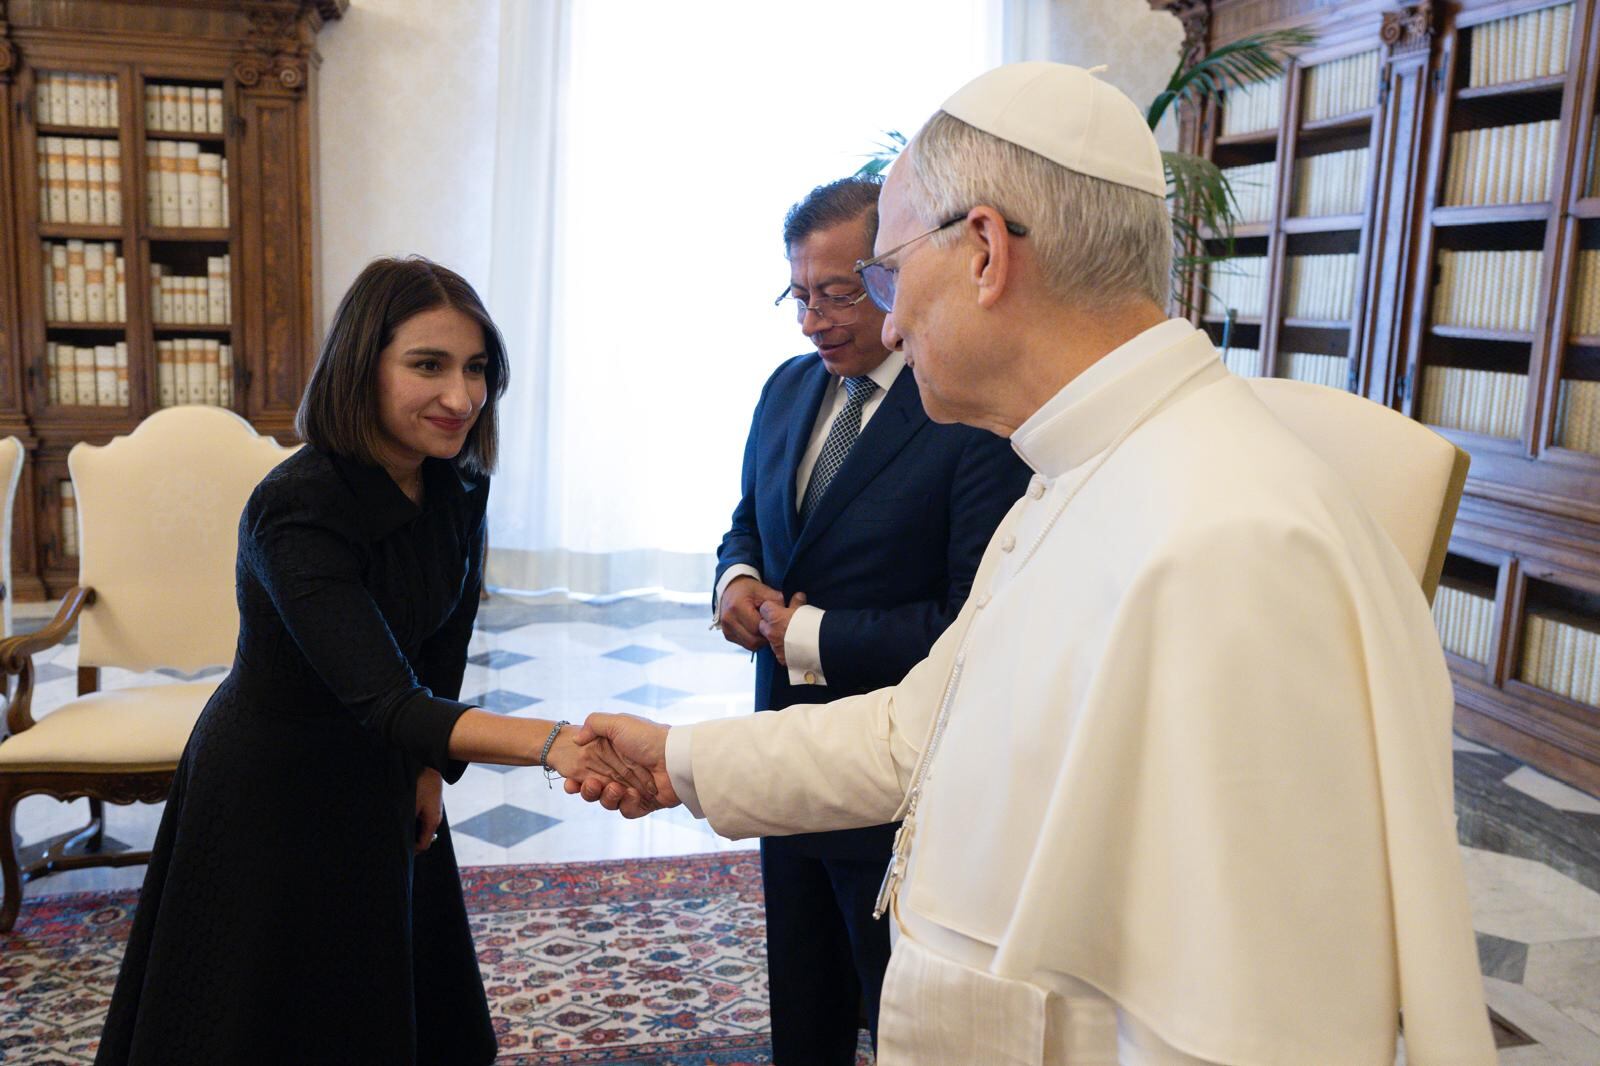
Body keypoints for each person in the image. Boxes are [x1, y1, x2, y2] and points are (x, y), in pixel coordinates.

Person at [568, 64, 1496, 1064]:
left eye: (885, 273)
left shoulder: (1231, 543)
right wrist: (680, 757)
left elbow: (1255, 1030)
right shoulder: (1073, 468)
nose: (884, 322)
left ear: (982, 252)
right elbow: (915, 735)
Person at [97, 256, 650, 1066]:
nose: (461, 397)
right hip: (275, 790)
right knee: (266, 1018)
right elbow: (385, 697)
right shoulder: (297, 507)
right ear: (364, 365)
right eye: (428, 365)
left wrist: (427, 774)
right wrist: (553, 740)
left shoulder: (459, 484)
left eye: (476, 370)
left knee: (391, 1005)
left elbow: (442, 645)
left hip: (390, 769)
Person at [716, 175, 1028, 1063]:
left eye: (839, 293)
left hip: (894, 778)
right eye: (800, 295)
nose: (815, 320)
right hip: (784, 748)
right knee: (801, 997)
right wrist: (736, 579)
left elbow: (975, 621)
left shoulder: (961, 412)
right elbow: (754, 519)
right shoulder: (786, 389)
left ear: (893, 278)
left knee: (896, 1007)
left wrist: (806, 636)